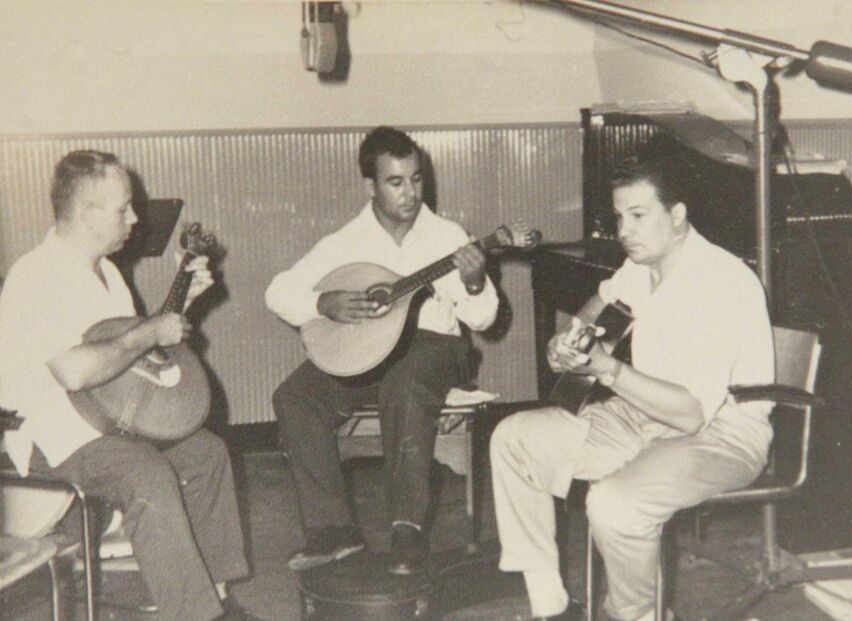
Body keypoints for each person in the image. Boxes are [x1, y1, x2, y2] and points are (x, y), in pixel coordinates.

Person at [490, 137, 775, 621]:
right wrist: (566, 343)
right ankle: (550, 606)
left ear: (678, 214)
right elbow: (595, 311)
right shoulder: (641, 266)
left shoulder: (719, 281)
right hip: (641, 417)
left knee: (615, 504)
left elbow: (689, 415)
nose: (625, 230)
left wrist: (608, 368)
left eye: (639, 216)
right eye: (620, 217)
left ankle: (636, 616)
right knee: (515, 439)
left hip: (722, 434)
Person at [0, 150, 260, 621]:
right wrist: (150, 330)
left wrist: (182, 306)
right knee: (145, 473)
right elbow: (74, 372)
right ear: (86, 213)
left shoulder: (108, 274)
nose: (135, 219)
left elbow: (131, 361)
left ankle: (214, 596)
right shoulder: (35, 276)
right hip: (52, 437)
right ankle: (196, 615)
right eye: (124, 208)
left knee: (207, 453)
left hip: (110, 424)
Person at [266, 126, 499, 575]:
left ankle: (407, 530)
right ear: (370, 186)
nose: (410, 193)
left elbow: (484, 318)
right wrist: (322, 302)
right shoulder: (345, 242)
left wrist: (473, 280)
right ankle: (333, 530)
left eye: (416, 179)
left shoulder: (447, 236)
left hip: (435, 348)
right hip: (369, 351)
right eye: (396, 182)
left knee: (405, 381)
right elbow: (278, 291)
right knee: (294, 397)